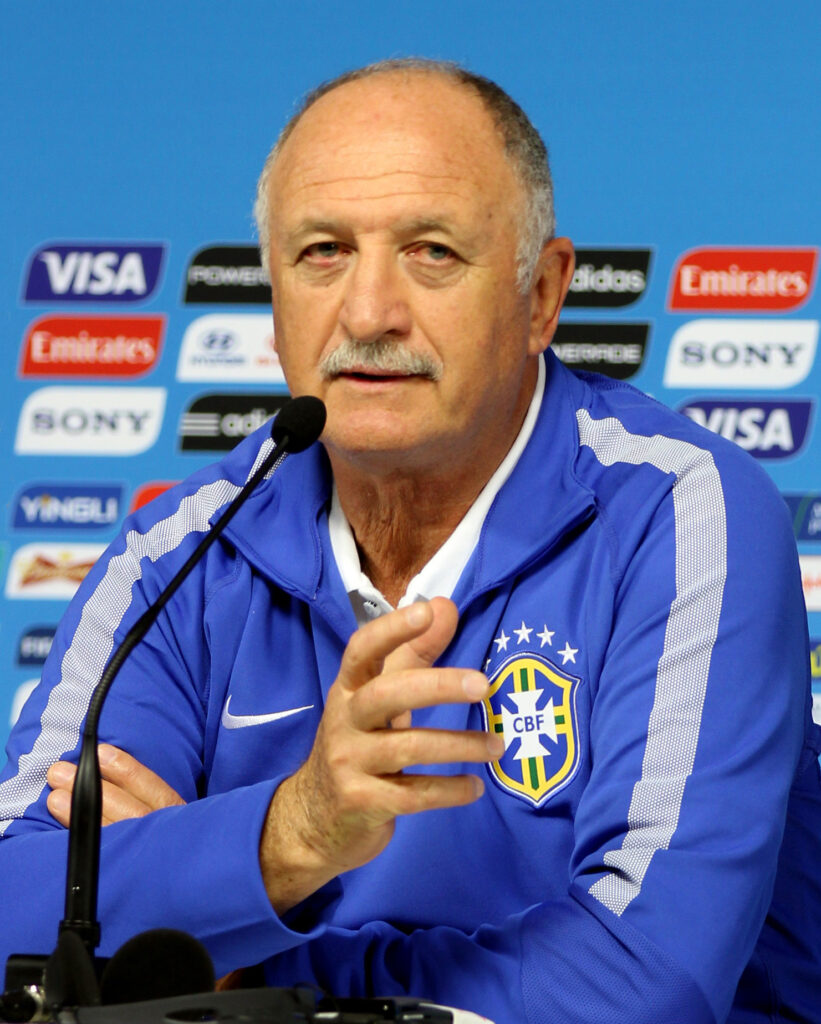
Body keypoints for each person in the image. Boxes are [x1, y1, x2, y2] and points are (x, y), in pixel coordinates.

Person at [1, 58, 819, 1024]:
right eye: (322, 253)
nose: (367, 312)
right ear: (272, 296)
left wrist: (240, 963)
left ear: (543, 295)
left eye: (431, 251)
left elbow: (646, 983)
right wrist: (286, 836)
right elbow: (20, 913)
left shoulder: (682, 514)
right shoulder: (178, 553)